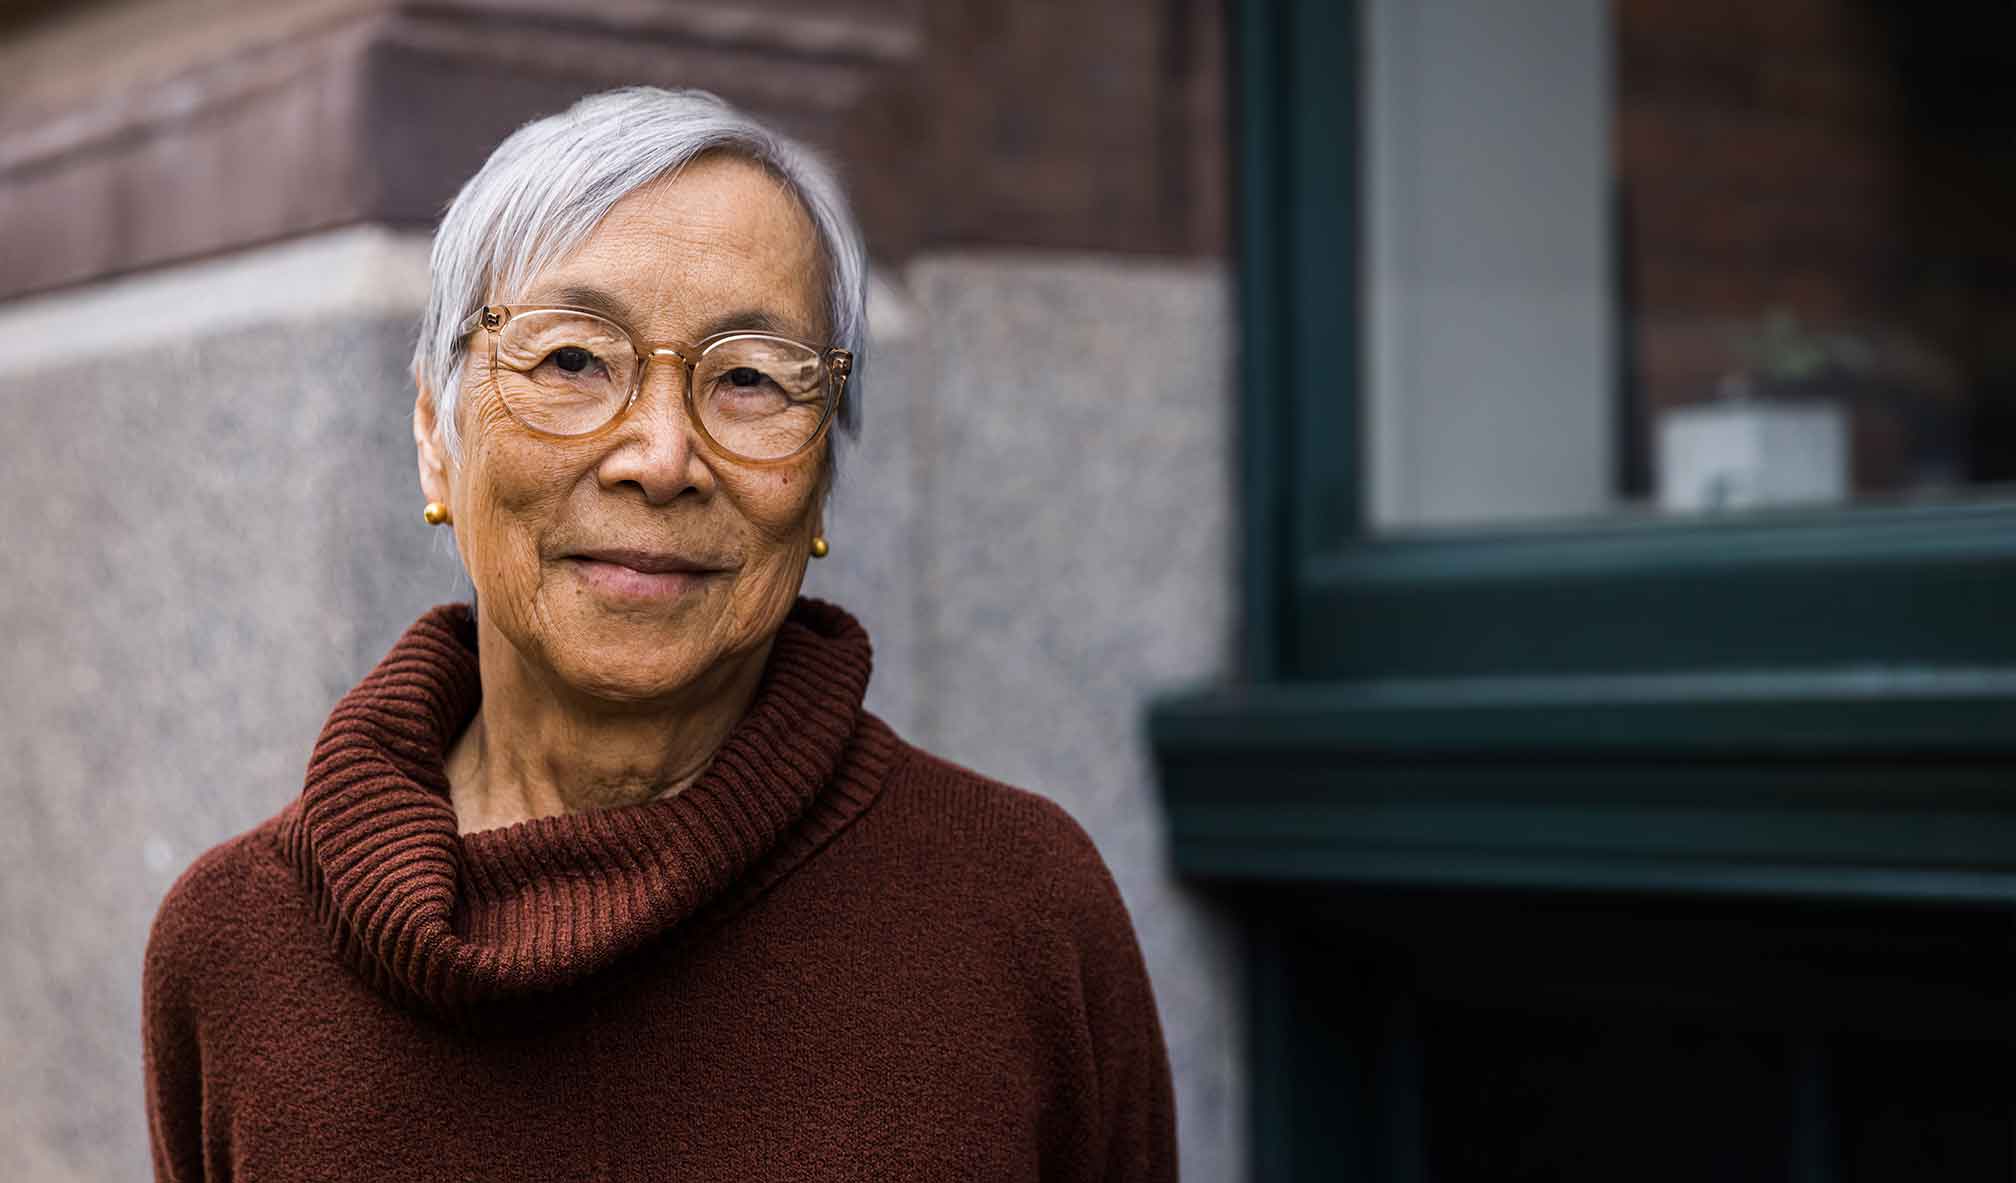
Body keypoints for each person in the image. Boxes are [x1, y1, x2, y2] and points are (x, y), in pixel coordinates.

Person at [140, 86, 1176, 1181]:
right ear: (434, 436)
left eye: (748, 379)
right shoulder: (235, 947)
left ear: (822, 476)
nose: (663, 456)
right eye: (574, 361)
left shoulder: (1017, 908)